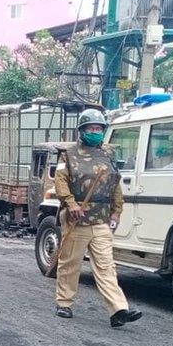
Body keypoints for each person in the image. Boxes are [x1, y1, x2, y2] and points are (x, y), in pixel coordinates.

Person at [54, 109, 142, 328]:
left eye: (99, 128)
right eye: (91, 128)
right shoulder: (68, 155)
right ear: (82, 131)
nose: (95, 132)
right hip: (77, 219)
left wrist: (117, 211)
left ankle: (118, 310)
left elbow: (115, 186)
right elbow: (61, 182)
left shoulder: (108, 155)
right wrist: (72, 204)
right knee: (70, 263)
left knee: (106, 266)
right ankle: (64, 302)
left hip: (101, 220)